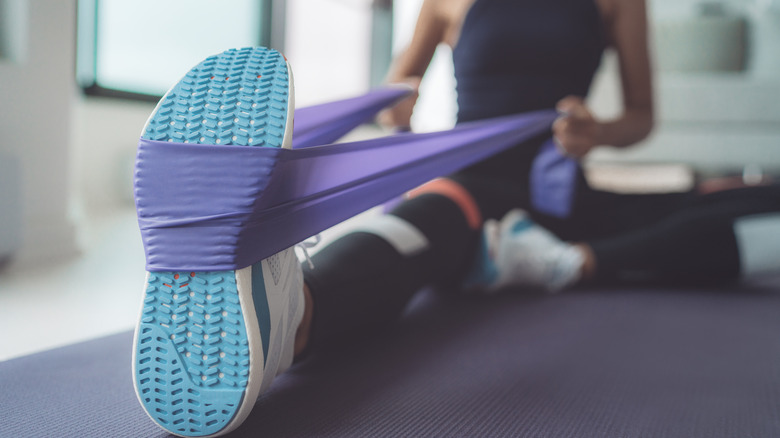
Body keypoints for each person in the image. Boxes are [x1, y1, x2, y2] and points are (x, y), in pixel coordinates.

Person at [133, 1, 780, 436]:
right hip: (471, 175)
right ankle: (294, 318)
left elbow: (642, 117)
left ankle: (560, 259)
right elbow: (401, 83)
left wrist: (598, 130)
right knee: (427, 223)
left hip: (562, 192)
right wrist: (397, 105)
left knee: (744, 198)